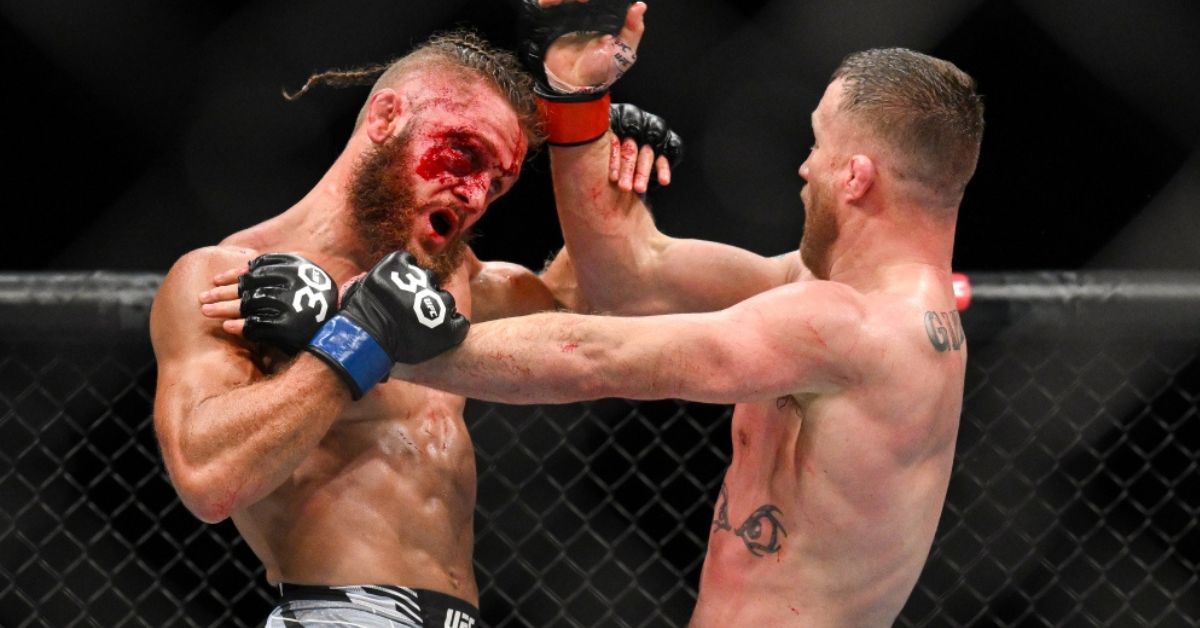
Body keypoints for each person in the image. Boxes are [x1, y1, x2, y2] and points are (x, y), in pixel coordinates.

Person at [376, 39, 983, 628]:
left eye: (817, 144)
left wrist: (384, 342)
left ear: (855, 177)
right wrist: (578, 100)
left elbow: (598, 354)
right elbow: (631, 276)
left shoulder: (861, 327)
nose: (804, 167)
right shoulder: (844, 298)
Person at [150, 26, 676, 626]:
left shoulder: (455, 280)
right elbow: (208, 479)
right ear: (386, 118)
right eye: (465, 155)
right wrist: (357, 337)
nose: (475, 195)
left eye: (497, 184)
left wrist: (610, 176)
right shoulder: (229, 278)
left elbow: (590, 313)